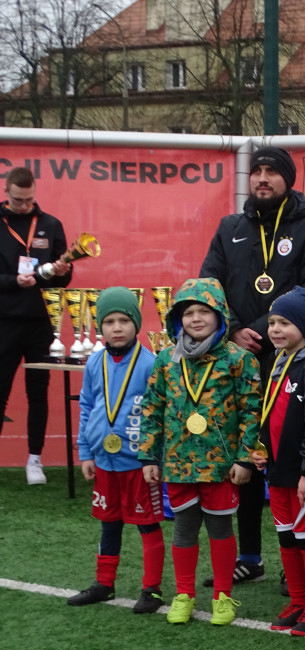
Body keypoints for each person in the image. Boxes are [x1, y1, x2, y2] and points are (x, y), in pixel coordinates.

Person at [199, 145, 305, 587]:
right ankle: (252, 555)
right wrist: (233, 328)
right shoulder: (230, 228)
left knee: (287, 457)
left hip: (287, 358)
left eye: (272, 171)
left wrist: (260, 326)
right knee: (246, 454)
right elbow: (209, 284)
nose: (262, 178)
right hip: (236, 358)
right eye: (256, 170)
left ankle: (293, 548)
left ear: (288, 179)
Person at [139, 278, 261, 626]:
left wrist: (243, 458)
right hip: (178, 462)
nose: (195, 318)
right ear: (178, 319)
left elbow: (251, 411)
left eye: (203, 311)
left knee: (221, 529)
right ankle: (184, 594)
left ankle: (222, 595)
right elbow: (152, 408)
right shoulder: (165, 359)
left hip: (221, 466)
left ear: (220, 314)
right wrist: (149, 456)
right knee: (184, 528)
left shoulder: (239, 359)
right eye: (188, 312)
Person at [68, 287, 163, 613]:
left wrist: (152, 456)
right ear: (100, 326)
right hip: (105, 461)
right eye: (109, 321)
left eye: (124, 319)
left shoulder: (150, 363)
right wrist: (86, 451)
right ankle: (104, 584)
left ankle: (152, 589)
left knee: (147, 524)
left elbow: (157, 414)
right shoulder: (95, 362)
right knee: (109, 523)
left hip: (138, 464)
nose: (117, 327)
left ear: (136, 324)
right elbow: (87, 407)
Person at [249, 287, 305, 637]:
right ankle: (297, 601)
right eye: (272, 323)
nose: (275, 329)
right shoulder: (278, 363)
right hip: (279, 471)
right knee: (286, 538)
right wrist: (262, 450)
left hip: (303, 474)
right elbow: (272, 415)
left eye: (284, 322)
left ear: (303, 325)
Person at [0, 166, 72, 485]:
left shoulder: (50, 224)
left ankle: (35, 460)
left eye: (29, 200)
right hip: (4, 320)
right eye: (18, 200)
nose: (24, 206)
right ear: (7, 193)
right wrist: (13, 281)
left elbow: (65, 277)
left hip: (41, 322)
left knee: (38, 392)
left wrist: (60, 269)